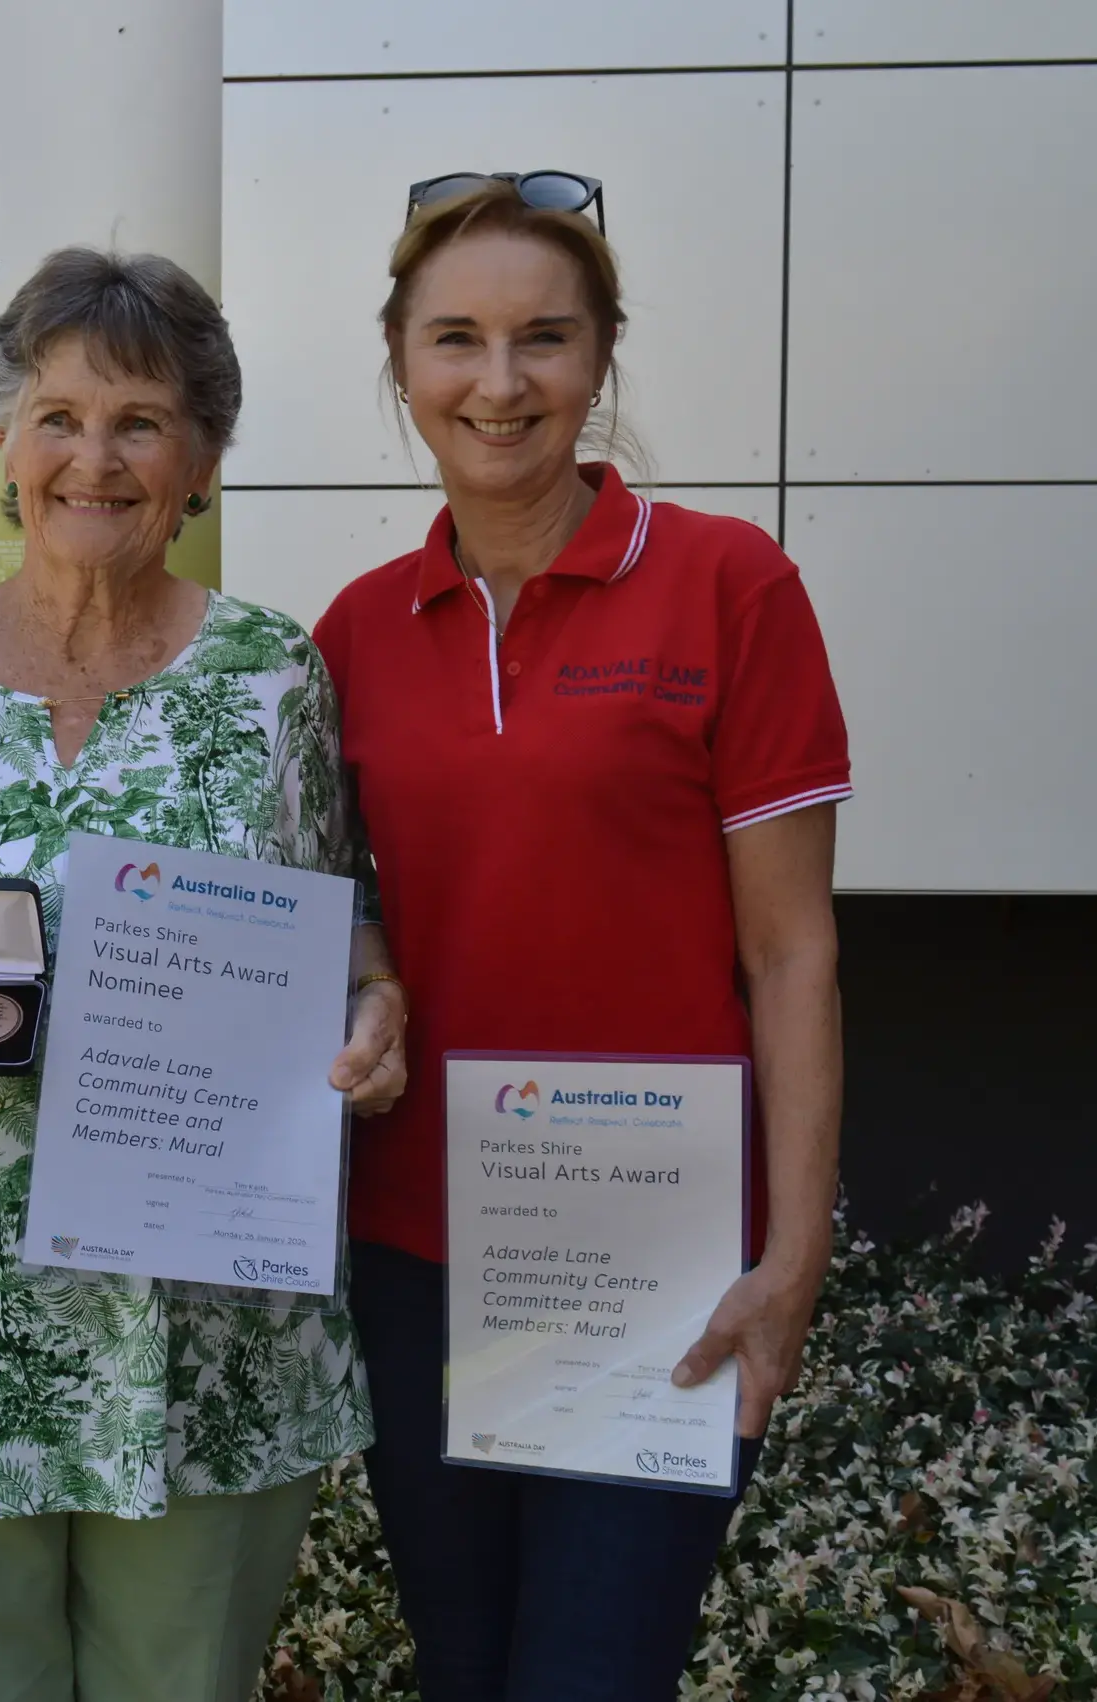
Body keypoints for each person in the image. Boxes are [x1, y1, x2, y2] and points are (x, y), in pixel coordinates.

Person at [0, 246, 410, 1702]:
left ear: (201, 461)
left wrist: (375, 1009)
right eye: (56, 416)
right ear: (4, 442)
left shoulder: (271, 678)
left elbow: (340, 919)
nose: (91, 458)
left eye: (140, 422)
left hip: (197, 1311)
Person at [310, 175, 852, 1701]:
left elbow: (793, 953)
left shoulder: (730, 586)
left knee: (593, 1676)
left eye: (544, 337)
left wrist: (791, 1257)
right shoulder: (352, 631)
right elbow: (352, 931)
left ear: (601, 356)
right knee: (466, 1670)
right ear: (402, 363)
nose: (500, 383)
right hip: (417, 1250)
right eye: (457, 339)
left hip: (653, 1260)